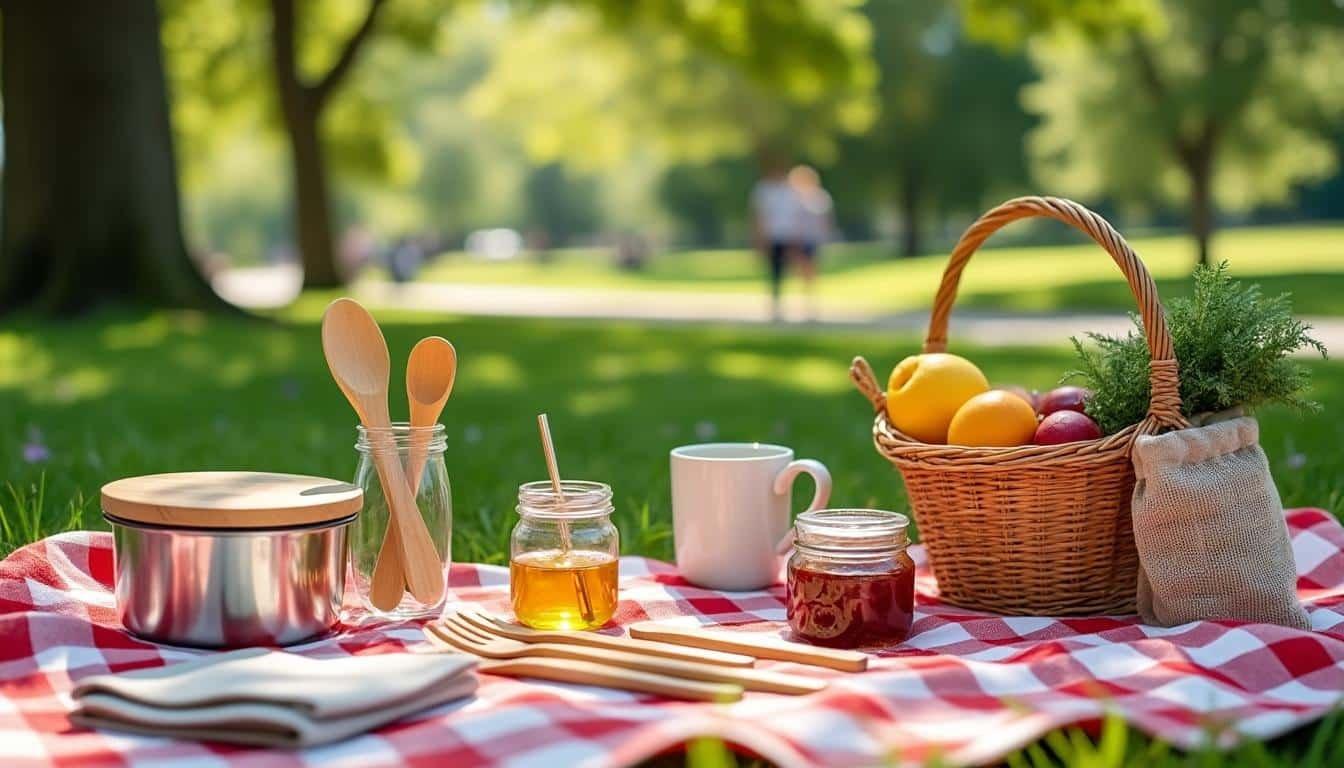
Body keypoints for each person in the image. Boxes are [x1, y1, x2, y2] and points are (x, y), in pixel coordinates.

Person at [750, 161, 802, 320]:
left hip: (788, 235)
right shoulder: (763, 189)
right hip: (771, 235)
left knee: (790, 269)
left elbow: (796, 215)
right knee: (775, 270)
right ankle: (776, 303)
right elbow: (759, 215)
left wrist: (796, 236)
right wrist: (759, 238)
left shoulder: (790, 190)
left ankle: (790, 303)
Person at [788, 164, 833, 321]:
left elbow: (825, 221)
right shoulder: (794, 199)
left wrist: (825, 237)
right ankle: (804, 302)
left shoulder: (821, 197)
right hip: (800, 240)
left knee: (811, 271)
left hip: (813, 239)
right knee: (801, 271)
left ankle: (810, 303)